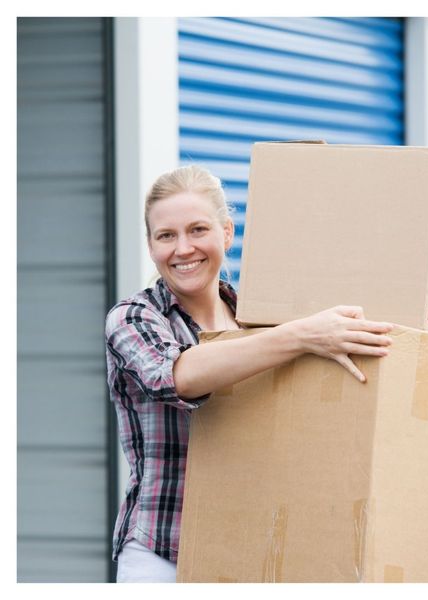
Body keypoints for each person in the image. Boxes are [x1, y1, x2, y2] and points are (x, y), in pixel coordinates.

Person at [105, 165, 394, 582]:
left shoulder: (257, 320)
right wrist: (302, 335)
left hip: (251, 551)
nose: (183, 248)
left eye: (198, 230)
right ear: (151, 246)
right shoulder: (133, 318)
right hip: (164, 554)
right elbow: (176, 375)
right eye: (166, 235)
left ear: (226, 233)